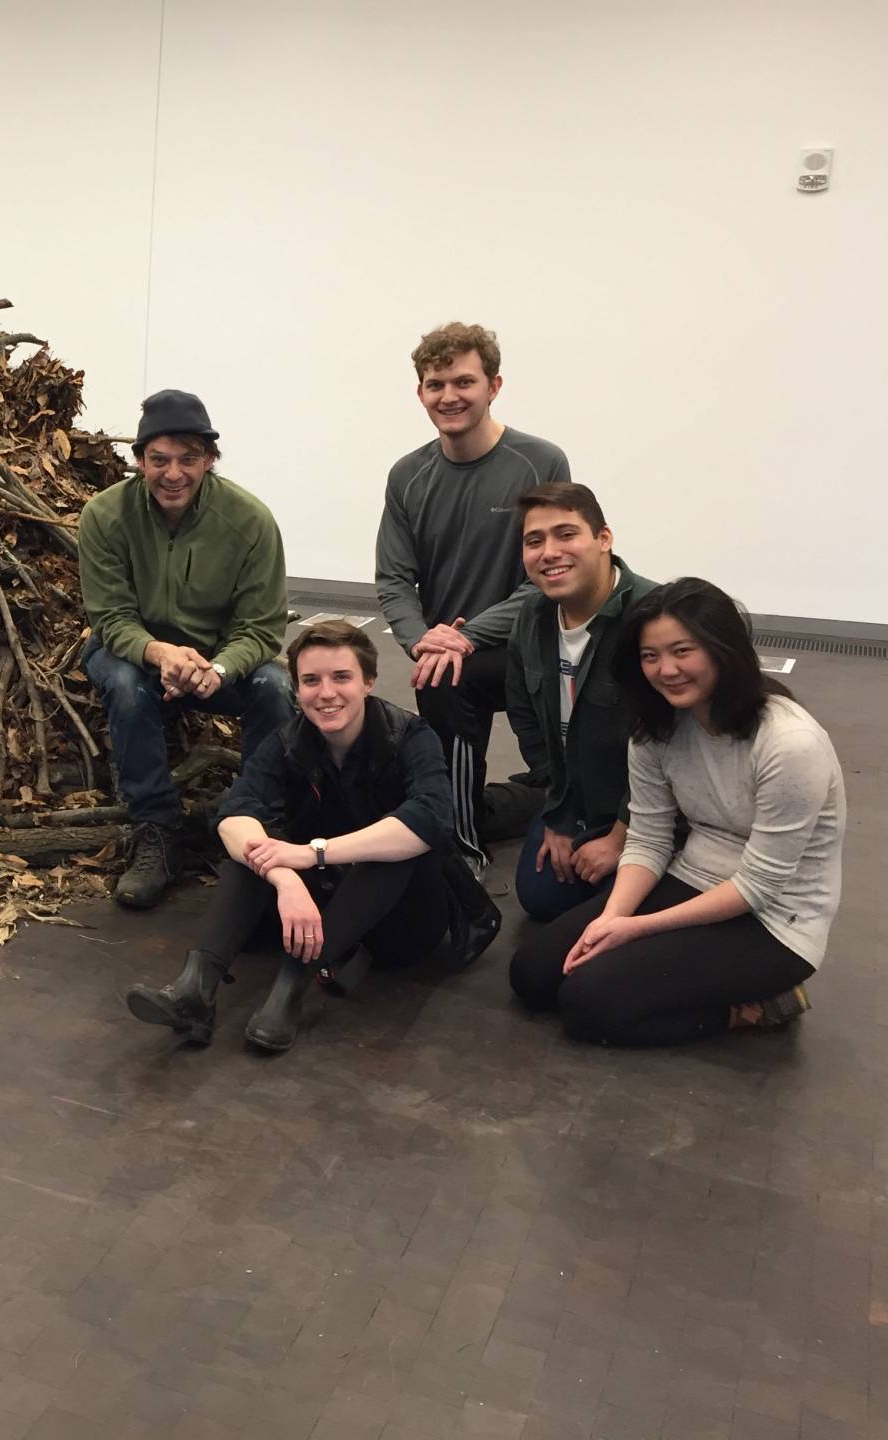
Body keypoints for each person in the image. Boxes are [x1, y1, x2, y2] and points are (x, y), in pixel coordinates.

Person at [124, 621, 500, 1053]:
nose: (326, 693)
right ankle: (195, 988)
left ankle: (291, 988)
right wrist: (284, 875)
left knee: (392, 849)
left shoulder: (409, 736)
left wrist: (311, 854)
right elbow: (234, 815)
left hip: (401, 922)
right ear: (297, 690)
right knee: (254, 848)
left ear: (369, 682)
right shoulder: (288, 742)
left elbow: (429, 821)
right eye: (311, 681)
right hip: (325, 900)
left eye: (341, 677)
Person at [510, 579, 845, 1046]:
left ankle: (759, 1007)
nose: (666, 670)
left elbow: (759, 886)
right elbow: (648, 838)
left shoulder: (789, 743)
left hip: (775, 921)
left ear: (722, 649)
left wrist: (635, 929)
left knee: (589, 1003)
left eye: (682, 651)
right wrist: (611, 918)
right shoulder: (656, 727)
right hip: (692, 877)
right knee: (532, 974)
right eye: (650, 656)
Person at [79, 389, 291, 909]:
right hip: (133, 653)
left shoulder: (249, 522)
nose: (173, 474)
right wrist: (159, 654)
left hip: (216, 660)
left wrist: (218, 669)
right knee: (127, 688)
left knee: (275, 687)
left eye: (188, 459)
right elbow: (109, 617)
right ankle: (157, 831)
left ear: (210, 460)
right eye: (159, 460)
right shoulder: (105, 516)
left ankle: (256, 821)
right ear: (139, 461)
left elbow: (262, 629)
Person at [376, 323, 571, 868]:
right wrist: (422, 641)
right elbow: (394, 579)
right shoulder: (408, 476)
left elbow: (546, 577)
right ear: (420, 393)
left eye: (464, 381)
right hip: (443, 654)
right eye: (436, 385)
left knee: (450, 676)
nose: (449, 396)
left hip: (527, 646)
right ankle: (462, 844)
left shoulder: (540, 463)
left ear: (494, 386)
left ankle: (531, 802)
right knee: (442, 681)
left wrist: (461, 637)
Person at [504, 483, 656, 921]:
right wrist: (560, 815)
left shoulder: (651, 617)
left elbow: (676, 747)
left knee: (615, 907)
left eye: (566, 534)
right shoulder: (531, 619)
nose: (549, 552)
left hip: (650, 813)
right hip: (577, 800)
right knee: (540, 897)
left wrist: (623, 837)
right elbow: (525, 720)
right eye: (535, 541)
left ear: (603, 539)